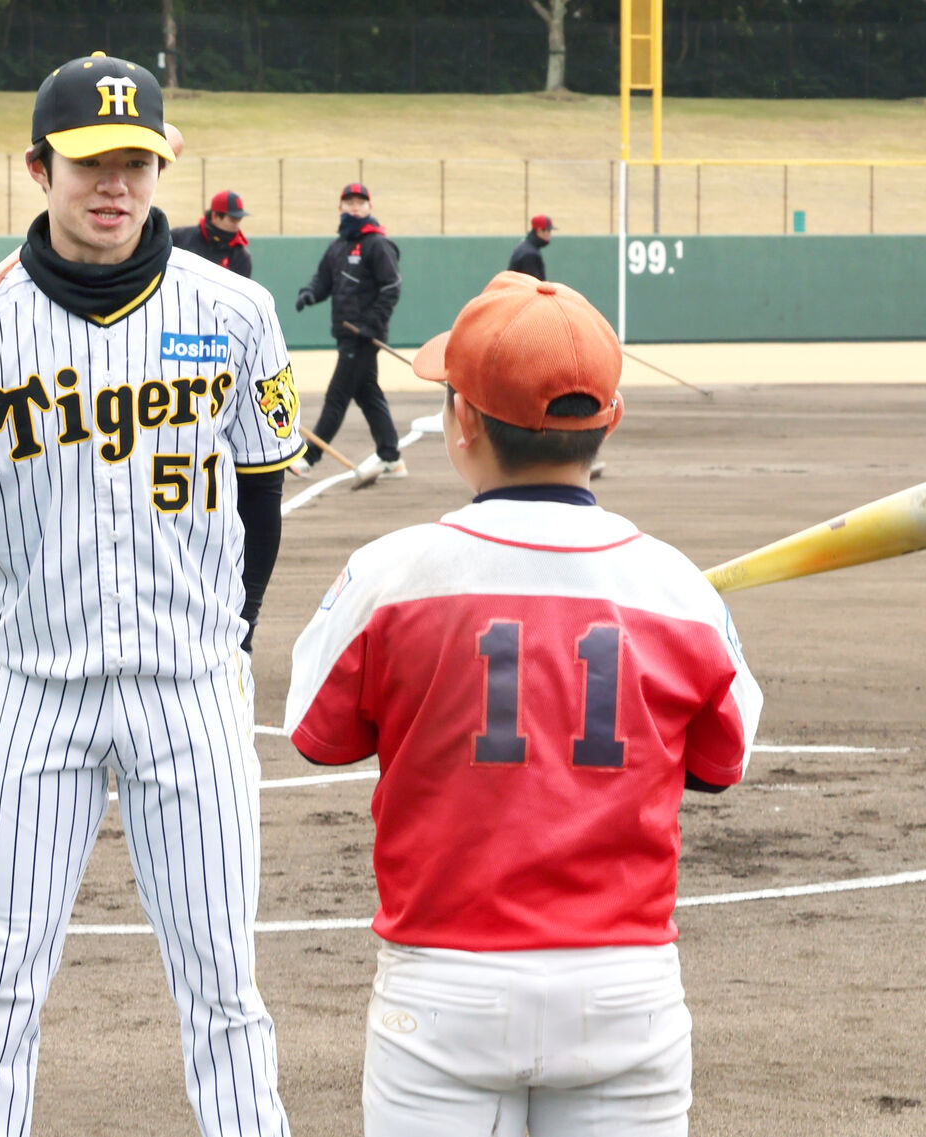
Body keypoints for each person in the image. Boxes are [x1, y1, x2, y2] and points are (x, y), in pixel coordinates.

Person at [0, 51, 300, 1137]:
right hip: (36, 694)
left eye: (136, 162)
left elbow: (260, 507)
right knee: (2, 981)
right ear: (37, 168)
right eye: (88, 163)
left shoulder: (236, 311)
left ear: (166, 167)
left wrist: (227, 644)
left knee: (222, 987)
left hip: (189, 689)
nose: (114, 184)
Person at [284, 271, 762, 1137]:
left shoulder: (391, 573)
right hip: (626, 992)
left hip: (443, 989)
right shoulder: (679, 588)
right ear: (609, 420)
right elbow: (721, 764)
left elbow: (319, 735)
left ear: (462, 422)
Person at [290, 182, 405, 479]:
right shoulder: (338, 246)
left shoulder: (377, 244)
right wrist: (309, 294)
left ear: (370, 207)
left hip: (364, 336)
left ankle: (309, 456)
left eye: (360, 202)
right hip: (346, 333)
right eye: (349, 202)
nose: (355, 206)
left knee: (337, 395)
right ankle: (391, 456)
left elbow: (392, 287)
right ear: (340, 207)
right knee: (367, 393)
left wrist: (373, 325)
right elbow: (323, 281)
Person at [171, 188, 253, 277]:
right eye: (232, 220)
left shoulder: (241, 256)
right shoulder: (179, 237)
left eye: (239, 220)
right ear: (215, 216)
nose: (236, 225)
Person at [508, 212, 555, 279]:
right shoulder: (530, 254)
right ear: (539, 231)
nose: (550, 235)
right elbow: (532, 285)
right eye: (549, 231)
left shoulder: (526, 246)